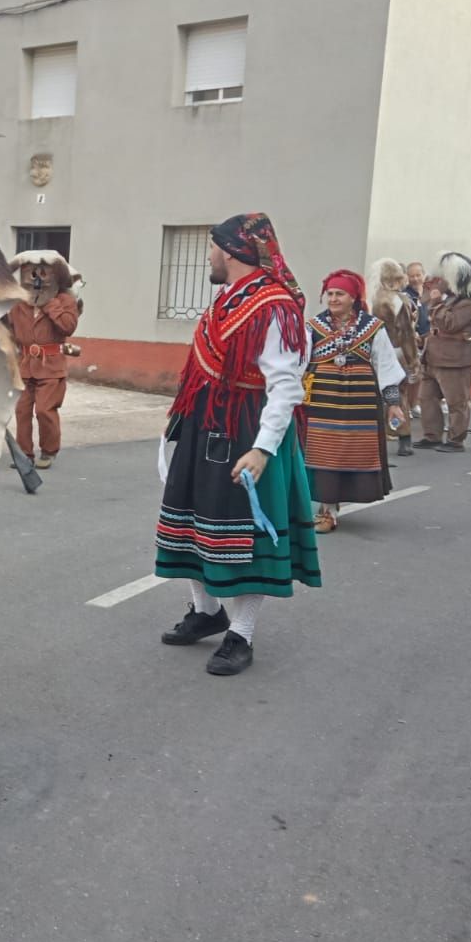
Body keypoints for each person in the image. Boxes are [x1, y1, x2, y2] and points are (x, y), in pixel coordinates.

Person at [155, 213, 320, 677]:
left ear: (230, 251)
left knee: (246, 539)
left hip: (246, 431)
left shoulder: (273, 306)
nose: (209, 255)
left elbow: (286, 387)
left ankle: (241, 634)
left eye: (211, 247)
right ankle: (206, 612)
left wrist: (263, 449)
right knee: (188, 521)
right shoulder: (232, 297)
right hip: (206, 422)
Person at [304, 270, 406, 532]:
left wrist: (393, 403)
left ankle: (332, 507)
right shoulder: (313, 327)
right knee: (321, 452)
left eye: (340, 294)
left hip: (359, 404)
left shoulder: (372, 328)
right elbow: (299, 364)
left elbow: (386, 367)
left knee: (350, 451)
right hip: (321, 401)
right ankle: (325, 509)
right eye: (330, 294)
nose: (334, 299)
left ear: (353, 298)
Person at [8, 250, 81, 470]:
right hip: (25, 365)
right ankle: (24, 454)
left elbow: (68, 326)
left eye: (42, 273)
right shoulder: (19, 303)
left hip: (51, 366)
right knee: (21, 411)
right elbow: (9, 329)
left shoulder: (65, 301)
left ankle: (49, 451)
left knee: (44, 410)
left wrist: (50, 305)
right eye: (31, 273)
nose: (36, 279)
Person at [415, 254, 471, 452]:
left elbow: (450, 324)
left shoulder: (467, 305)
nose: (440, 282)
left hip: (455, 361)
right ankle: (432, 436)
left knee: (456, 402)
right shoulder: (448, 302)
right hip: (432, 359)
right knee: (426, 398)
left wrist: (436, 304)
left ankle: (456, 440)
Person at [370, 259, 421, 455]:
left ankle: (378, 440)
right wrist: (413, 360)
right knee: (398, 396)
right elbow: (406, 332)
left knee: (375, 397)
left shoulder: (369, 297)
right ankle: (404, 437)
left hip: (370, 352)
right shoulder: (398, 300)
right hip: (395, 351)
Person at [404, 261, 430, 419]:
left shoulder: (429, 292)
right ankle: (405, 405)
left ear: (423, 275)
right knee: (410, 375)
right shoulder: (405, 295)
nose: (415, 279)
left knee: (421, 375)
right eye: (411, 276)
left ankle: (415, 404)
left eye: (418, 275)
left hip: (428, 339)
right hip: (410, 340)